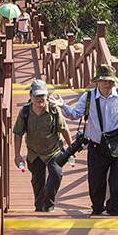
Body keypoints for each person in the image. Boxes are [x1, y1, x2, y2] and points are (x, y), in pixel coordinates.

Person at [50, 64, 118, 216]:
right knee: (96, 182)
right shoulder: (89, 96)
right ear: (98, 81)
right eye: (104, 81)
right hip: (96, 146)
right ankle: (97, 208)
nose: (108, 84)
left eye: (111, 81)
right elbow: (75, 114)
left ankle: (113, 207)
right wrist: (63, 106)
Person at [13, 79, 72, 212]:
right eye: (37, 95)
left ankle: (49, 204)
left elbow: (64, 129)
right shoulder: (25, 112)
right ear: (31, 95)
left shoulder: (53, 110)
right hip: (35, 152)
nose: (40, 99)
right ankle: (39, 207)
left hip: (53, 150)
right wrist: (17, 155)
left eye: (42, 96)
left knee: (56, 174)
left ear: (46, 95)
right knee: (37, 181)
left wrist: (71, 148)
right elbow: (18, 133)